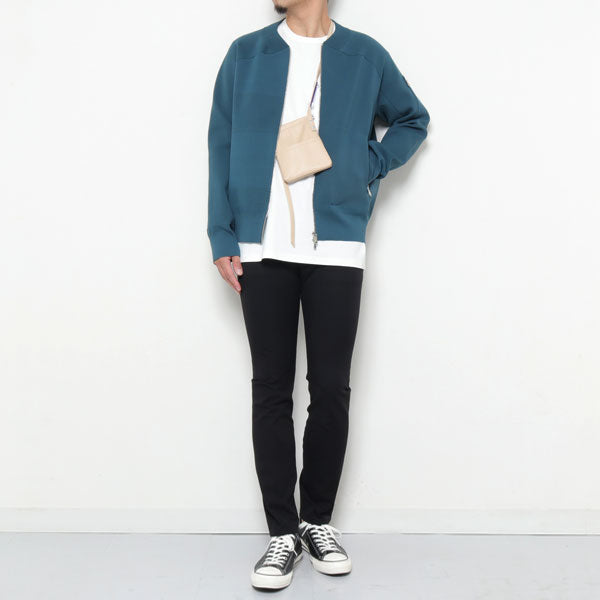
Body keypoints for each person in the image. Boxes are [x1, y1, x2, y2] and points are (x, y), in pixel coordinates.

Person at [207, 0, 429, 590]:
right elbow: (219, 144)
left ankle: (316, 522)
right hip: (260, 248)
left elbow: (413, 119)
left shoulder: (364, 55)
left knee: (331, 388)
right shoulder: (246, 55)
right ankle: (282, 533)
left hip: (336, 247)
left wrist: (366, 162)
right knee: (271, 389)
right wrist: (221, 233)